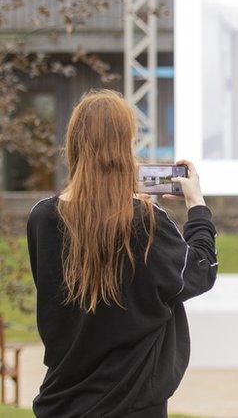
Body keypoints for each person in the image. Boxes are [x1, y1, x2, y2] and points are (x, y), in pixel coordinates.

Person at [26, 89, 218, 417]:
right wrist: (196, 204)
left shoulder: (43, 217)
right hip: (134, 401)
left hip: (62, 401)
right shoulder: (145, 220)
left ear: (73, 144)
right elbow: (199, 271)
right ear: (125, 147)